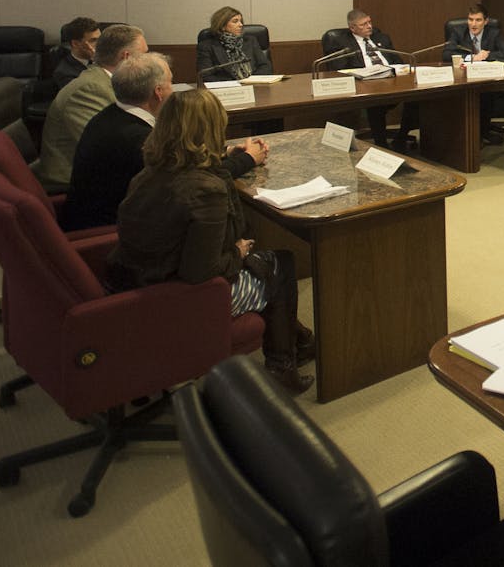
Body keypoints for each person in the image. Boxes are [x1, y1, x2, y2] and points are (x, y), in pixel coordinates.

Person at [107, 90, 313, 393]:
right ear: (213, 129)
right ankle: (282, 366)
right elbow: (201, 272)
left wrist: (228, 157)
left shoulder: (152, 170)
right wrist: (237, 251)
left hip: (138, 281)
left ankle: (303, 341)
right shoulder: (206, 190)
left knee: (263, 264)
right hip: (182, 298)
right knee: (278, 264)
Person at [60, 53, 265, 231]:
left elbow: (182, 162)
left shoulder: (111, 116)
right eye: (171, 83)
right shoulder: (138, 139)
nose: (173, 90)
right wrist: (248, 158)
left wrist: (225, 152)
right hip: (114, 232)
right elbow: (198, 182)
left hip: (114, 218)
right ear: (158, 92)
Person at [34, 24, 150, 190]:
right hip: (71, 183)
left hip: (101, 172)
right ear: (126, 57)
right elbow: (108, 149)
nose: (148, 62)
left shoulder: (105, 82)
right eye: (144, 55)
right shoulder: (90, 90)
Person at [324, 9, 419, 153]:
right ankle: (381, 145)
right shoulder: (341, 43)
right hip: (365, 85)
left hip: (392, 81)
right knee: (376, 103)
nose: (369, 26)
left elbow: (397, 61)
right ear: (352, 28)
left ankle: (401, 137)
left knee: (416, 97)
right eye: (363, 24)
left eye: (369, 22)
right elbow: (337, 69)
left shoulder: (382, 38)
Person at [443, 3, 504, 146]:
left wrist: (487, 55)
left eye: (478, 20)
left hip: (486, 78)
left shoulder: (493, 33)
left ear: (486, 21)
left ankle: (480, 131)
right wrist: (472, 57)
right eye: (470, 19)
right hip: (463, 78)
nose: (473, 24)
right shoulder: (458, 32)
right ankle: (471, 132)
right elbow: (447, 54)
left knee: (485, 95)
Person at [196, 6, 272, 82]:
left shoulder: (250, 41)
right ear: (222, 25)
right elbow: (206, 75)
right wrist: (235, 83)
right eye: (235, 21)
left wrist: (249, 81)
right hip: (225, 89)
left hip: (254, 85)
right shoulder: (207, 46)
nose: (241, 25)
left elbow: (265, 66)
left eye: (241, 21)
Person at [52, 16, 100, 88]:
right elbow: (95, 93)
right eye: (93, 40)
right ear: (75, 44)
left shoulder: (106, 60)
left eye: (101, 39)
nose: (100, 43)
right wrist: (98, 63)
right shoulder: (65, 73)